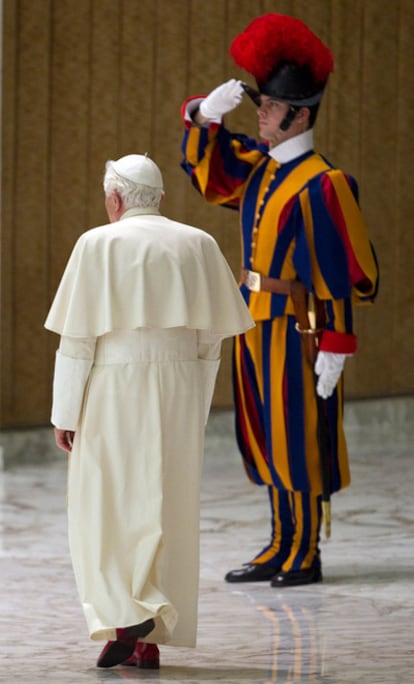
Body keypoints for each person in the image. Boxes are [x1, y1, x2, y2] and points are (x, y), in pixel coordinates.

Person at [180, 13, 379, 587]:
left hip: (300, 327)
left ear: (301, 114)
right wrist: (203, 115)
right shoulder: (263, 170)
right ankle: (279, 541)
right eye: (261, 105)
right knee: (264, 435)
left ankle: (305, 551)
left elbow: (335, 272)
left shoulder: (323, 182)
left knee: (299, 438)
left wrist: (336, 345)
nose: (260, 114)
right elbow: (210, 172)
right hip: (253, 321)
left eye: (269, 107)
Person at [44, 153, 254, 668]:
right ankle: (150, 636)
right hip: (180, 384)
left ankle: (124, 611)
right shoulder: (199, 244)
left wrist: (65, 413)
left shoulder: (96, 244)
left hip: (114, 385)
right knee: (168, 504)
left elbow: (77, 341)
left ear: (114, 199)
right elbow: (211, 342)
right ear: (159, 198)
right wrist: (195, 408)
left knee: (106, 503)